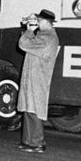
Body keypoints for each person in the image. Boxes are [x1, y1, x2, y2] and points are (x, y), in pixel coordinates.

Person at [17, 9, 59, 153]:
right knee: (28, 108)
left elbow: (23, 44)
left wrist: (28, 31)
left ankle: (38, 142)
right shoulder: (43, 35)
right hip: (33, 76)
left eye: (39, 20)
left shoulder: (48, 37)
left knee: (34, 109)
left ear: (46, 22)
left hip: (38, 77)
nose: (37, 23)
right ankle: (28, 141)